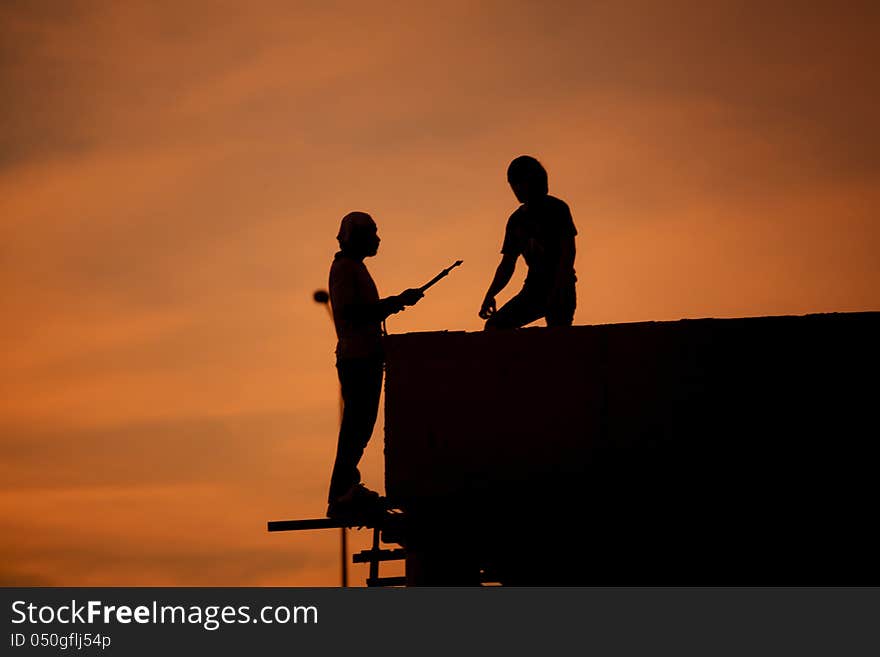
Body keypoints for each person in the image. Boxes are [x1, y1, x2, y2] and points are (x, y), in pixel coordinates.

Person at [326, 211, 422, 518]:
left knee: (360, 427)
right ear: (357, 237)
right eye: (372, 233)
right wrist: (395, 303)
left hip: (364, 357)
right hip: (357, 359)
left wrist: (395, 303)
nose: (378, 239)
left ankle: (346, 490)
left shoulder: (355, 268)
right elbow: (354, 313)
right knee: (356, 426)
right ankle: (341, 494)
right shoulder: (345, 269)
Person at [479, 156, 577, 329]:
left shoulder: (557, 209)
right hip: (534, 290)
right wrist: (490, 294)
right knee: (495, 326)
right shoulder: (516, 220)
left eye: (519, 183)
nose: (516, 189)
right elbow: (508, 263)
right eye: (513, 184)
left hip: (562, 287)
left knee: (559, 338)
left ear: (532, 182)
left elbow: (568, 252)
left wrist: (559, 288)